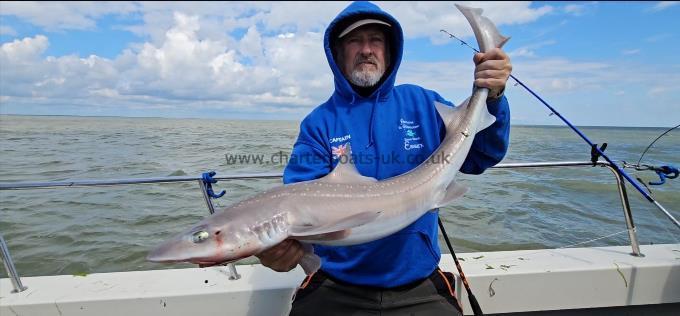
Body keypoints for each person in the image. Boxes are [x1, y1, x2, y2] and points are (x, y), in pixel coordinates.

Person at [256, 1, 512, 315]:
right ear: (337, 53)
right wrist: (280, 251)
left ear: (390, 51)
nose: (366, 49)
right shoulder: (319, 122)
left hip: (418, 283)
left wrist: (494, 95)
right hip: (337, 283)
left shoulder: (423, 103)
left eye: (375, 40)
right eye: (354, 41)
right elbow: (296, 206)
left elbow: (482, 157)